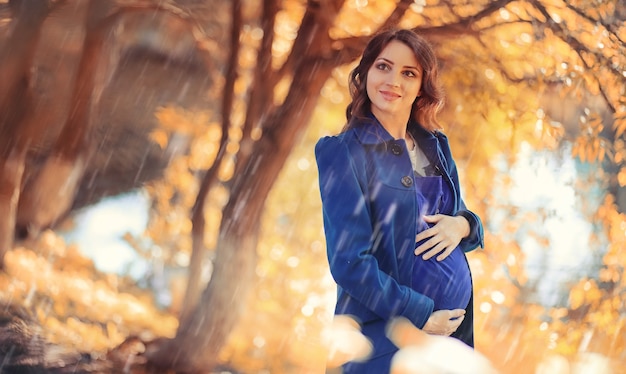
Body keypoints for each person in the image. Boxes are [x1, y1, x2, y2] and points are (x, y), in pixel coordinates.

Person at [315, 28, 484, 373]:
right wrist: (420, 316)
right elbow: (350, 263)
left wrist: (464, 224)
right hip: (384, 340)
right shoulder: (343, 153)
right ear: (364, 75)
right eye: (383, 67)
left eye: (409, 73)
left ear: (422, 86)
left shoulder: (435, 144)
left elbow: (456, 217)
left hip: (450, 341)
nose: (393, 80)